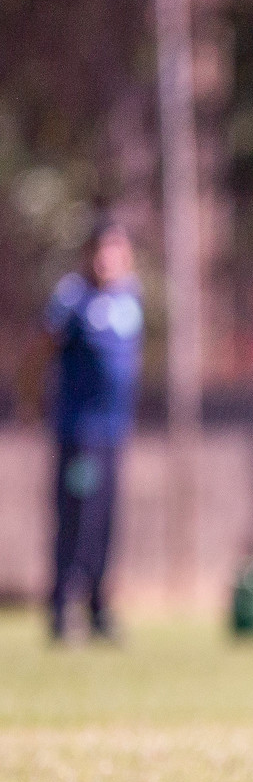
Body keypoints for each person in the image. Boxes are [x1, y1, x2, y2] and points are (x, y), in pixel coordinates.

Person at [16, 217, 146, 645]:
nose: (108, 259)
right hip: (79, 436)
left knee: (107, 521)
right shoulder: (72, 300)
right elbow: (38, 352)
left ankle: (98, 606)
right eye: (100, 250)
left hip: (114, 435)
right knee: (77, 518)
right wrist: (30, 403)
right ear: (88, 255)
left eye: (116, 250)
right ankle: (59, 608)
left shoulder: (131, 299)